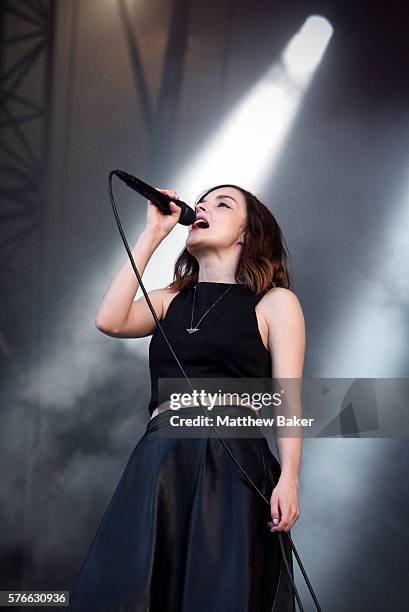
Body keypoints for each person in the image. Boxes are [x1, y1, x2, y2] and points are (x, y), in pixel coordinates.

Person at [68, 183, 305, 611]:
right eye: (201, 203)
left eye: (222, 203)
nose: (202, 207)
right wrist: (153, 235)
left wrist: (289, 478)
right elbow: (109, 319)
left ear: (246, 234)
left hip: (233, 456)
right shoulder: (170, 299)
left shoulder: (274, 303)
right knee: (139, 588)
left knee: (219, 587)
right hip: (162, 457)